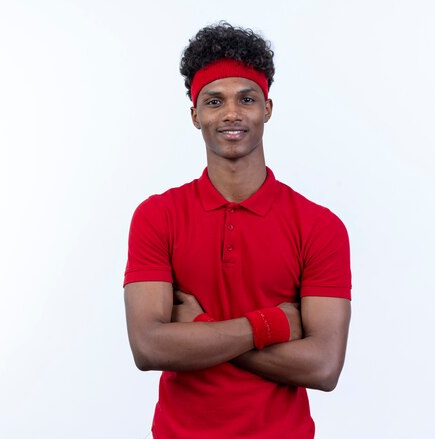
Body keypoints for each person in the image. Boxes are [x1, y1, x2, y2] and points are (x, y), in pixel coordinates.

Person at [124, 22, 352, 439]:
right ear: (195, 115)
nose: (231, 113)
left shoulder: (320, 226)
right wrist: (271, 326)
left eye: (246, 99)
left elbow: (322, 366)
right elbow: (149, 348)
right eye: (214, 101)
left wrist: (201, 328)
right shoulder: (158, 216)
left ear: (267, 108)